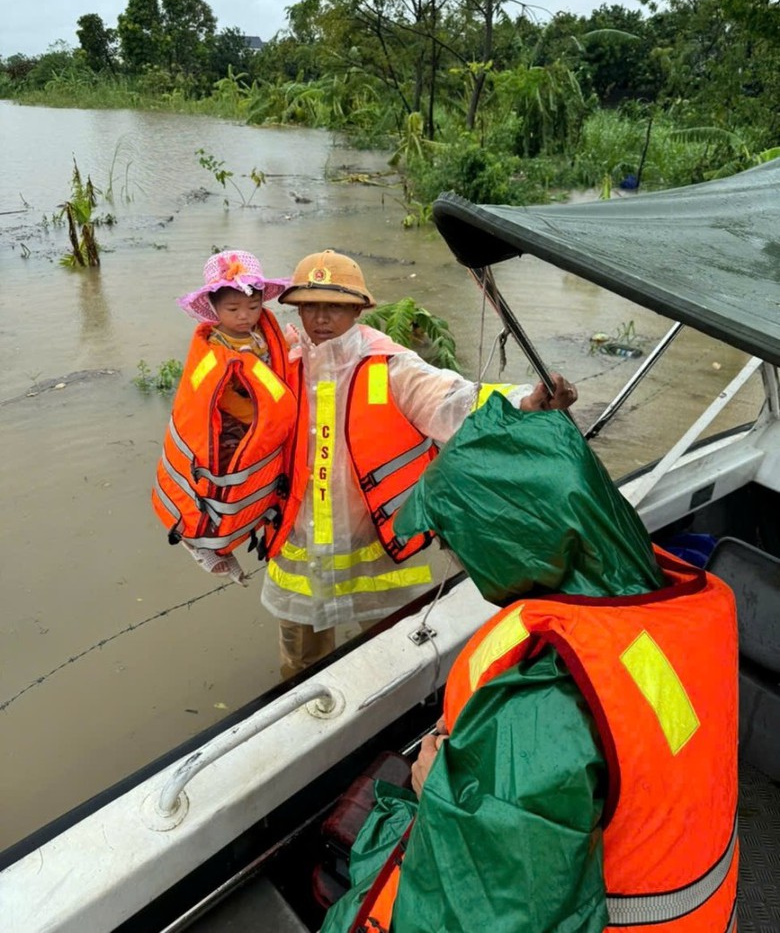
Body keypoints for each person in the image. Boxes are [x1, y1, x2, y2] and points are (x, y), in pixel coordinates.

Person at [320, 397, 739, 933]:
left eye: (456, 541)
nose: (455, 556)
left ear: (512, 541)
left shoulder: (544, 706)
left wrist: (440, 796)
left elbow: (486, 910)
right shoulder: (681, 608)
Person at [261, 248, 579, 679]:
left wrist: (526, 401)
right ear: (296, 308)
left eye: (335, 305)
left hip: (377, 553)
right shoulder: (277, 365)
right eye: (311, 305)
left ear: (357, 309)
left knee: (390, 662)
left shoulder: (391, 366)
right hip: (300, 554)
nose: (321, 317)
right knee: (302, 667)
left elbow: (456, 400)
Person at [152, 250, 299, 586]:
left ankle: (237, 532)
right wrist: (257, 417)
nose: (244, 316)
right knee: (224, 483)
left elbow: (268, 364)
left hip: (264, 418)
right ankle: (202, 540)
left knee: (261, 483)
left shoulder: (259, 334)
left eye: (253, 307)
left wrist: (289, 347)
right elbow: (222, 395)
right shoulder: (218, 345)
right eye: (233, 310)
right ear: (215, 311)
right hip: (235, 425)